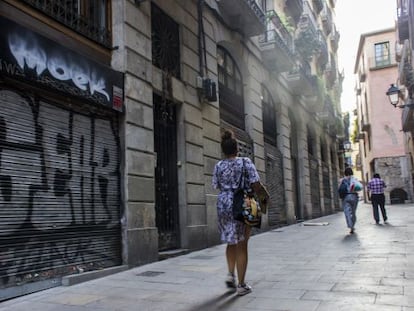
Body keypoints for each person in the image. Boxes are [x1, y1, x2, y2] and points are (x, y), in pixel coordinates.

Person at [212, 129, 266, 296]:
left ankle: (230, 274)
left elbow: (216, 185)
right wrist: (264, 200)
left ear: (224, 150)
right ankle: (241, 285)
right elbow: (256, 184)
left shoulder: (218, 165)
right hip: (241, 203)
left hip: (223, 204)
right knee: (242, 243)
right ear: (237, 149)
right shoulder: (245, 162)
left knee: (231, 240)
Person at [339, 167, 361, 234]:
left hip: (346, 197)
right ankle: (353, 226)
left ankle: (350, 226)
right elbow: (359, 187)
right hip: (354, 197)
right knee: (353, 212)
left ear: (345, 173)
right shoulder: (355, 179)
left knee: (347, 212)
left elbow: (340, 188)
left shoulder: (342, 180)